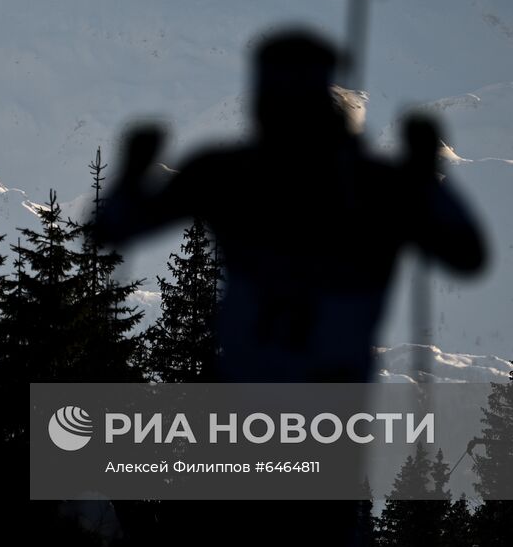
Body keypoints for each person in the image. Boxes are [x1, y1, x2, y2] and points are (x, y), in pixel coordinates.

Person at [95, 28, 486, 384]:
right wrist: (424, 178)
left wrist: (132, 171)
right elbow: (467, 256)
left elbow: (111, 230)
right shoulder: (378, 184)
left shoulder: (226, 173)